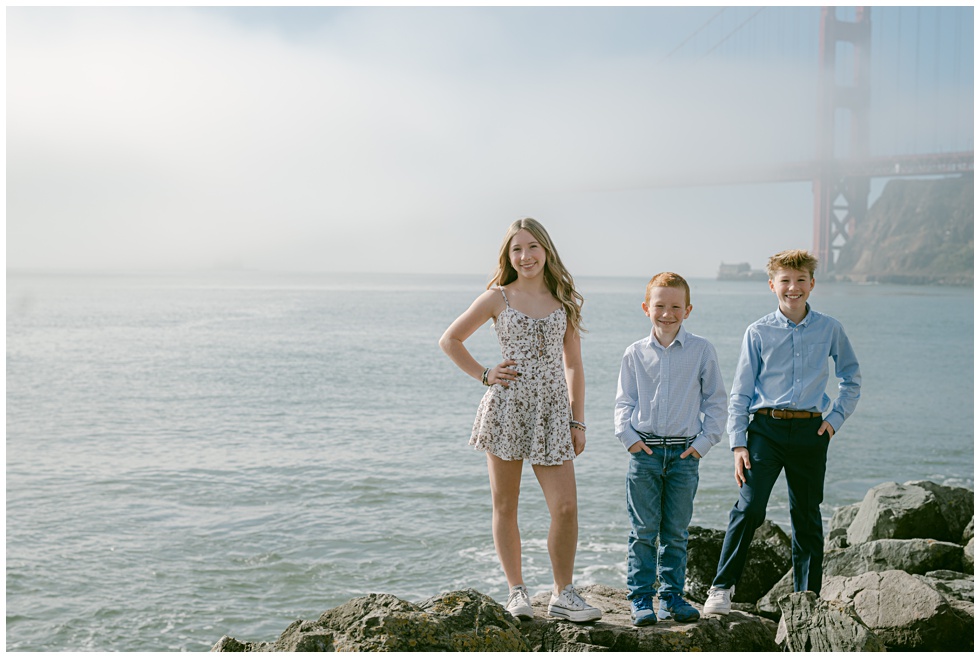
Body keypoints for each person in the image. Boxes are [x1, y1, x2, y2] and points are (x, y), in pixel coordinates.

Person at [439, 218, 601, 623]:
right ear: (508, 256)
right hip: (507, 407)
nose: (525, 256)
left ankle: (564, 594)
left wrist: (577, 421)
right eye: (517, 249)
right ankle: (517, 592)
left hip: (551, 412)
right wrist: (484, 374)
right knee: (505, 504)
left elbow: (574, 365)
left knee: (565, 507)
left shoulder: (564, 301)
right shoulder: (497, 297)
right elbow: (450, 340)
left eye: (532, 247)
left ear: (546, 250)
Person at [702, 249, 861, 615]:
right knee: (749, 507)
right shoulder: (758, 331)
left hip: (811, 431)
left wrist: (834, 420)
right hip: (765, 431)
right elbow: (741, 392)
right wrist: (738, 443)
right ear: (772, 284)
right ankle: (721, 589)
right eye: (785, 281)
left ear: (812, 284)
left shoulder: (830, 328)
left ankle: (807, 599)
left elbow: (851, 378)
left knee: (806, 515)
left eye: (801, 280)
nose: (793, 288)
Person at [614, 272, 727, 626]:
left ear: (688, 310)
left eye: (675, 306)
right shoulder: (634, 353)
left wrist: (702, 445)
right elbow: (623, 403)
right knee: (643, 531)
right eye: (660, 306)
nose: (667, 313)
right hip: (644, 453)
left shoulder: (701, 350)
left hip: (683, 455)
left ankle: (672, 598)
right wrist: (629, 438)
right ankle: (641, 599)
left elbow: (717, 402)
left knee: (677, 532)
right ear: (646, 308)